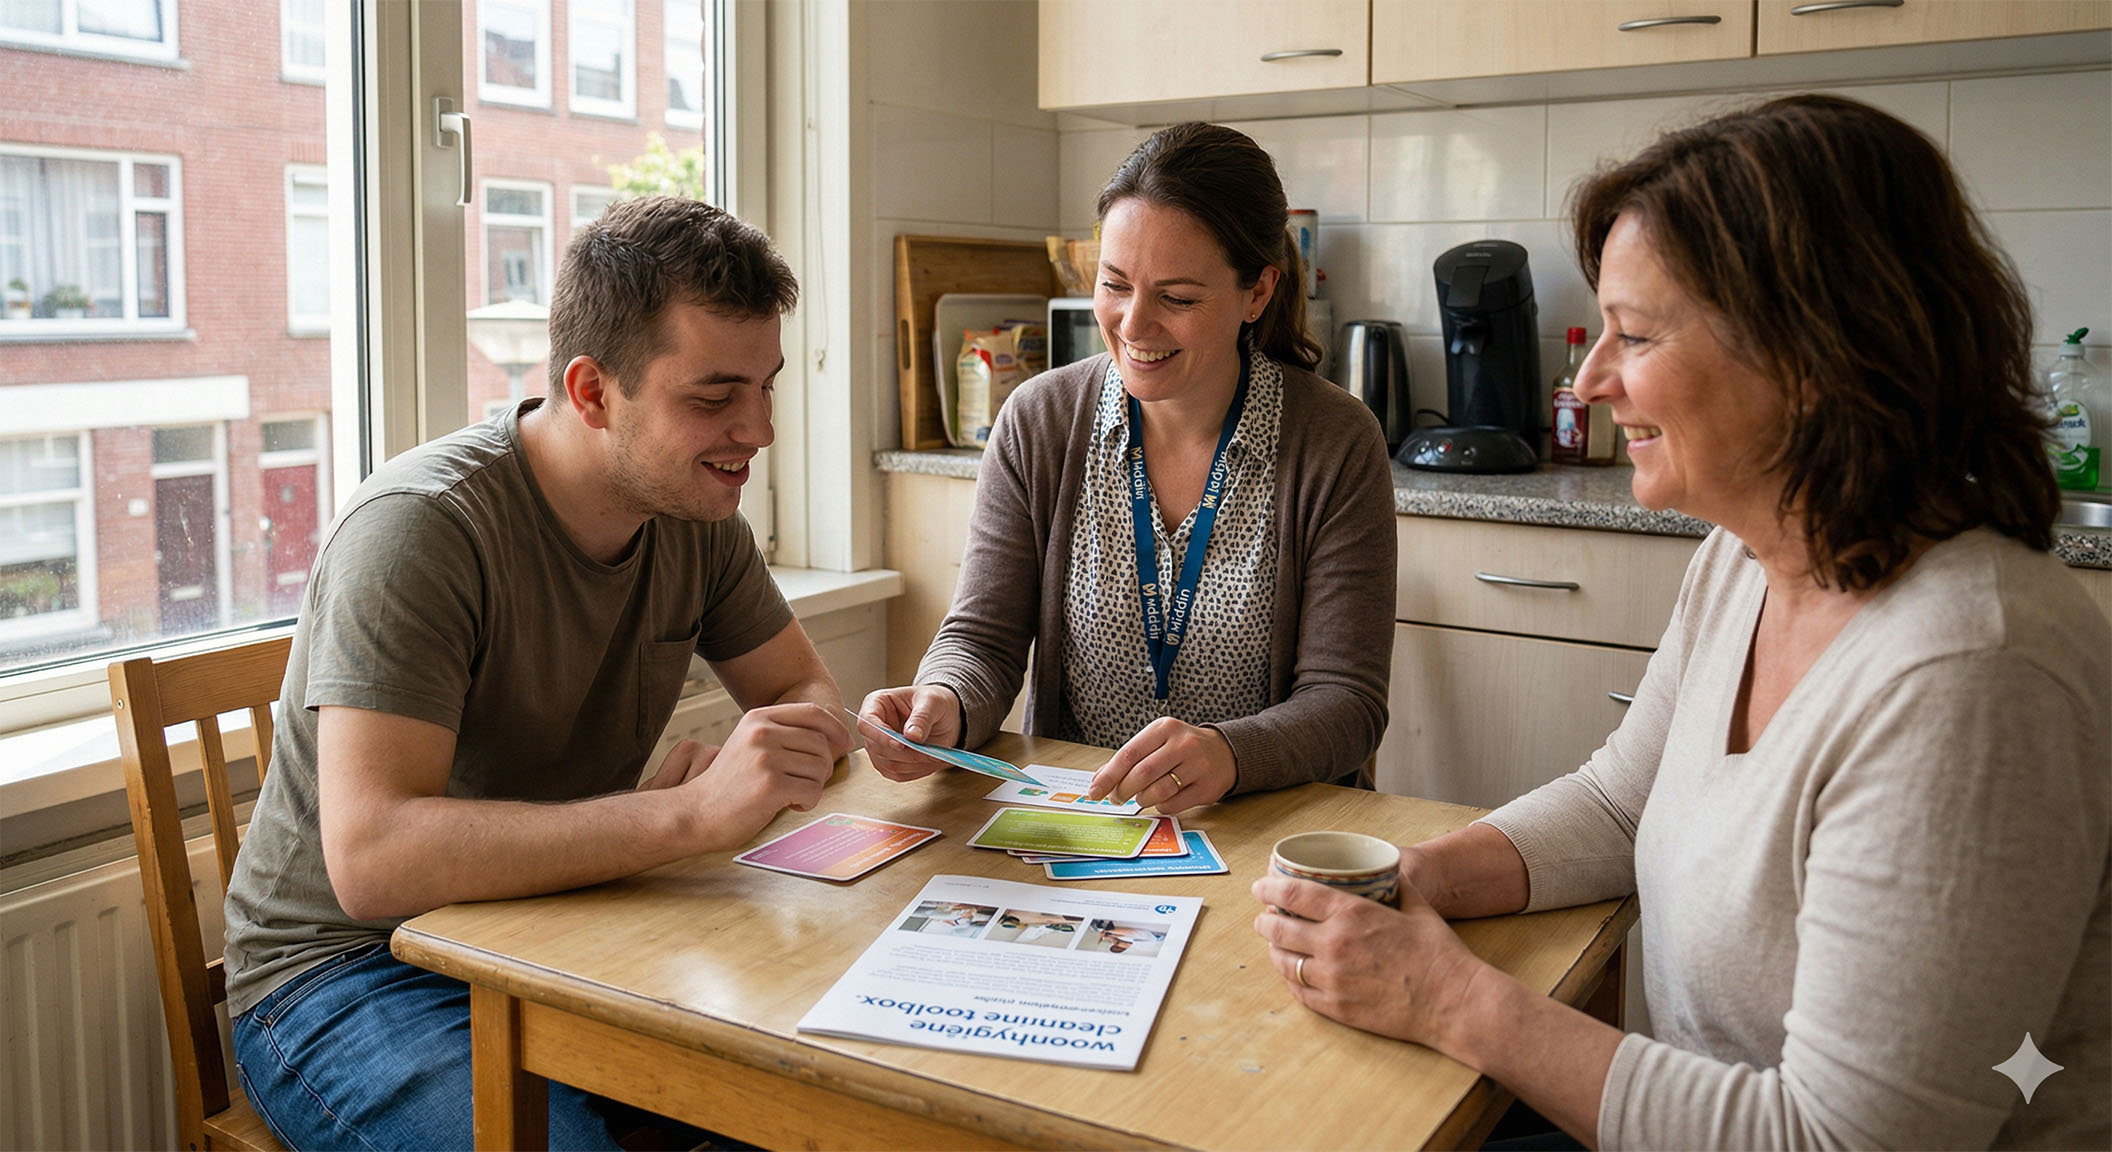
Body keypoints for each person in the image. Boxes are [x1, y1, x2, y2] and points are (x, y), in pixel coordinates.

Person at [1253, 93, 2110, 1149]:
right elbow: (1623, 805)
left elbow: (1840, 1142)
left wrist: (1448, 998)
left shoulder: (1972, 674)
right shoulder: (1748, 561)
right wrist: (1415, 879)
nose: (1590, 379)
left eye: (1638, 334)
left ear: (1811, 353)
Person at [223, 196, 853, 1151]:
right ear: (594, 391)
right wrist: (684, 816)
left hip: (559, 930)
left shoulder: (696, 516)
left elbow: (805, 696)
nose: (757, 431)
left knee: (822, 1105)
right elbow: (373, 859)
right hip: (349, 973)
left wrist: (752, 756)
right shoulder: (420, 531)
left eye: (766, 387)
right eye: (714, 396)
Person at [861, 122, 1395, 814]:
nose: (1134, 326)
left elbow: (1347, 704)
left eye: (1177, 298)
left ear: (1257, 292)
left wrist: (1230, 754)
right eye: (1114, 285)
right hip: (1081, 823)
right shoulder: (1039, 422)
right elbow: (982, 639)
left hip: (1269, 828)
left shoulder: (1335, 441)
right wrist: (945, 700)